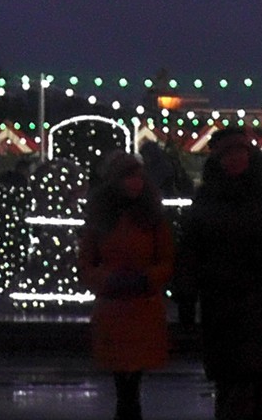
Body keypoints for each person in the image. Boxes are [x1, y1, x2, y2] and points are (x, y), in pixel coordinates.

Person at [181, 127, 262, 420]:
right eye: (229, 154)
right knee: (231, 380)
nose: (235, 159)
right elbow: (191, 247)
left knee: (260, 378)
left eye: (240, 152)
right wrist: (188, 293)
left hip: (261, 295)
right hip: (221, 297)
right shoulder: (208, 196)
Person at [80, 152, 175, 420]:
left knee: (132, 383)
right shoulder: (100, 221)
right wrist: (108, 279)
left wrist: (147, 279)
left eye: (137, 176)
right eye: (128, 177)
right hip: (114, 308)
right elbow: (86, 264)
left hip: (141, 306)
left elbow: (166, 260)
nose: (135, 183)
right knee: (123, 383)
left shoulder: (153, 219)